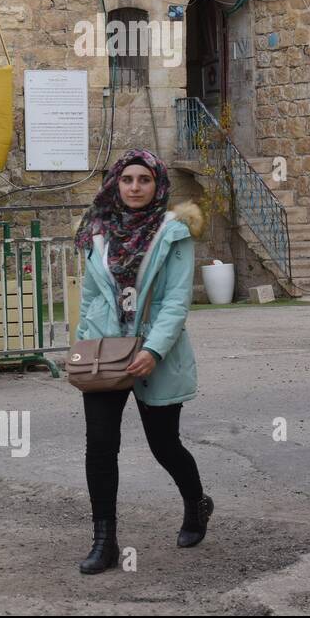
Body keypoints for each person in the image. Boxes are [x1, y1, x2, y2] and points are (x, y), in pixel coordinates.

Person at [73, 149, 209, 574]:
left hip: (155, 356)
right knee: (100, 447)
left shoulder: (174, 231)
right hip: (106, 352)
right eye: (127, 179)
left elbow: (175, 301)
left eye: (143, 180)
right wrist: (82, 345)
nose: (134, 187)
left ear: (158, 185)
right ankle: (105, 541)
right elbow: (92, 294)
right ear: (116, 182)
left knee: (164, 445)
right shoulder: (99, 229)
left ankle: (196, 503)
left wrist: (153, 350)